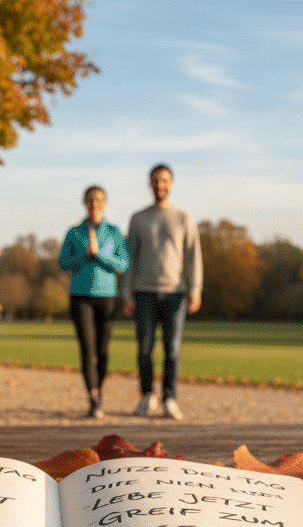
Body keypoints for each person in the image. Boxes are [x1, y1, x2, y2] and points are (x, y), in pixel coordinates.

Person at [123, 163, 203, 420]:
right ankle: (147, 396)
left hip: (175, 293)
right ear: (149, 183)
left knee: (173, 349)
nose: (160, 185)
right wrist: (126, 292)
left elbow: (193, 256)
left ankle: (170, 398)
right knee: (144, 349)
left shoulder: (183, 217)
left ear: (171, 184)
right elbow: (130, 259)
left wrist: (196, 289)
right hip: (144, 292)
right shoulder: (138, 218)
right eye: (156, 180)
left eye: (165, 180)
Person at [59, 185, 130, 418]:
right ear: (84, 202)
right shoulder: (74, 232)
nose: (94, 203)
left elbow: (123, 264)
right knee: (87, 348)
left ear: (105, 202)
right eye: (90, 199)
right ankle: (93, 397)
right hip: (80, 296)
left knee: (102, 349)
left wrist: (98, 253)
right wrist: (85, 254)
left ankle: (99, 390)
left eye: (99, 199)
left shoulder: (114, 232)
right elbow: (63, 263)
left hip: (107, 296)